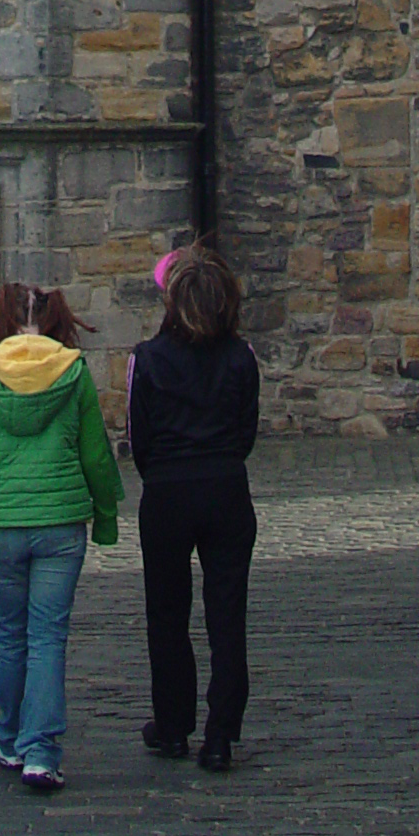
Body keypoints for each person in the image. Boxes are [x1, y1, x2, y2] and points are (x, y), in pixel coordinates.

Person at [0, 283, 123, 793]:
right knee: (47, 637)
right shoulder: (72, 371)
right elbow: (94, 455)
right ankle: (41, 751)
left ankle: (9, 734)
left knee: (11, 634)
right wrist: (106, 516)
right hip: (61, 523)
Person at [128, 244, 259, 773]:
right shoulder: (241, 357)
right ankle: (221, 734)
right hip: (226, 485)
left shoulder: (148, 358)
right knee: (227, 615)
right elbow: (246, 429)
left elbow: (139, 437)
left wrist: (161, 472)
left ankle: (174, 724)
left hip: (167, 491)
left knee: (167, 613)